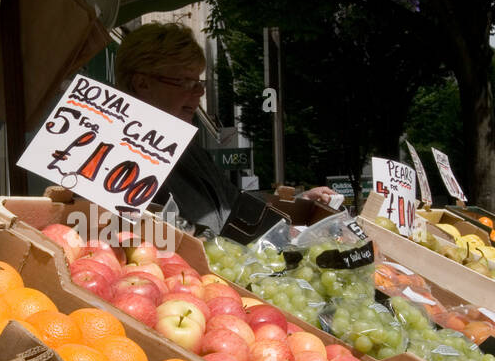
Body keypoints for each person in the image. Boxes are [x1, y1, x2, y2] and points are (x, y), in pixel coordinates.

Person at [113, 23, 335, 232]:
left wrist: (299, 202)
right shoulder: (114, 155)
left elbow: (235, 200)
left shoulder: (190, 149)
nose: (199, 93)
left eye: (200, 83)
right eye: (187, 82)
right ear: (142, 84)